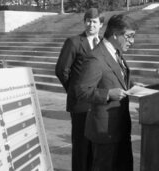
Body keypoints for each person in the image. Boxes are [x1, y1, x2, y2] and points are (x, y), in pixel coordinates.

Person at [75, 14, 138, 171]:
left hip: (120, 127)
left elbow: (116, 79)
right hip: (105, 132)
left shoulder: (116, 52)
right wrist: (108, 94)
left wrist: (135, 85)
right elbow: (82, 91)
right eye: (129, 36)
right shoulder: (95, 57)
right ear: (115, 34)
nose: (132, 41)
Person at [55, 8, 104, 171]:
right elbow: (62, 70)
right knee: (81, 146)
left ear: (101, 24)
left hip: (98, 102)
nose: (91, 24)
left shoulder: (104, 43)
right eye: (88, 21)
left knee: (94, 145)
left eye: (94, 21)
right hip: (80, 104)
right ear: (84, 22)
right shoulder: (74, 42)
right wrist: (74, 90)